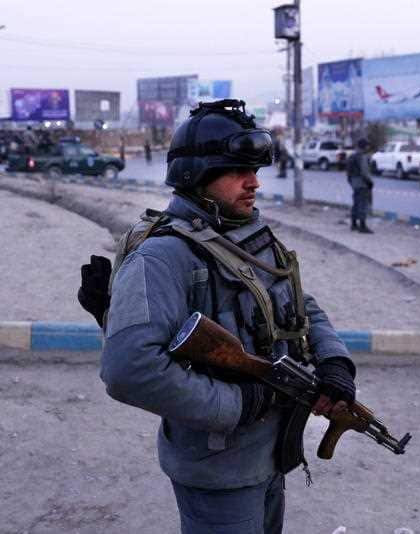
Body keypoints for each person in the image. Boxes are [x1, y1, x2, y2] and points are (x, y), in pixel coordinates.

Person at [80, 100, 356, 534]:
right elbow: (129, 370)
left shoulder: (245, 235)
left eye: (255, 169)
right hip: (218, 468)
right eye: (238, 170)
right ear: (197, 175)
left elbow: (297, 301)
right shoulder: (163, 256)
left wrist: (335, 361)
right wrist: (240, 404)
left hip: (268, 456)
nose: (254, 182)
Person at [346, 138, 374, 234]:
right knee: (363, 204)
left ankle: (354, 224)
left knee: (356, 203)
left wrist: (351, 182)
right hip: (362, 183)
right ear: (364, 146)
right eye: (367, 146)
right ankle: (362, 226)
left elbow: (348, 173)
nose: (368, 147)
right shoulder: (362, 156)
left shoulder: (352, 156)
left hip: (354, 183)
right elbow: (364, 172)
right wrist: (370, 182)